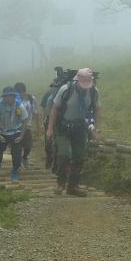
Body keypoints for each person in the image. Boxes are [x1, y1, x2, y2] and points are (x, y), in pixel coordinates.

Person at [46, 67, 101, 196]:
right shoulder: (66, 89)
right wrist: (50, 128)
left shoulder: (93, 91)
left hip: (80, 127)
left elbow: (97, 110)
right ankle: (60, 183)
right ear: (77, 80)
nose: (85, 87)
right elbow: (55, 109)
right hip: (62, 126)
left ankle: (73, 186)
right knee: (64, 154)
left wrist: (96, 128)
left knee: (79, 157)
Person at [0, 85, 30, 180]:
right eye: (7, 96)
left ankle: (15, 170)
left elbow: (25, 120)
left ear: (14, 96)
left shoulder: (19, 106)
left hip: (16, 132)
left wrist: (21, 136)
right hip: (2, 131)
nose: (9, 98)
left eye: (11, 96)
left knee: (16, 154)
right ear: (4, 97)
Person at [13, 82, 40, 168]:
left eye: (20, 92)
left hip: (27, 126)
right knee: (17, 146)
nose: (19, 94)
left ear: (24, 91)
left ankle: (24, 157)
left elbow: (36, 113)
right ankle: (17, 163)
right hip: (16, 127)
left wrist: (38, 126)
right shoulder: (14, 99)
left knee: (28, 145)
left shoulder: (31, 99)